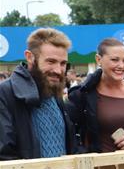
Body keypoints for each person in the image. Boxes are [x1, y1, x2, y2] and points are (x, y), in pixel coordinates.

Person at [0, 28, 78, 160]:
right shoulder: (5, 94)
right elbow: (4, 154)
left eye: (63, 63)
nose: (58, 70)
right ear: (30, 57)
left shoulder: (54, 91)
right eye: (51, 62)